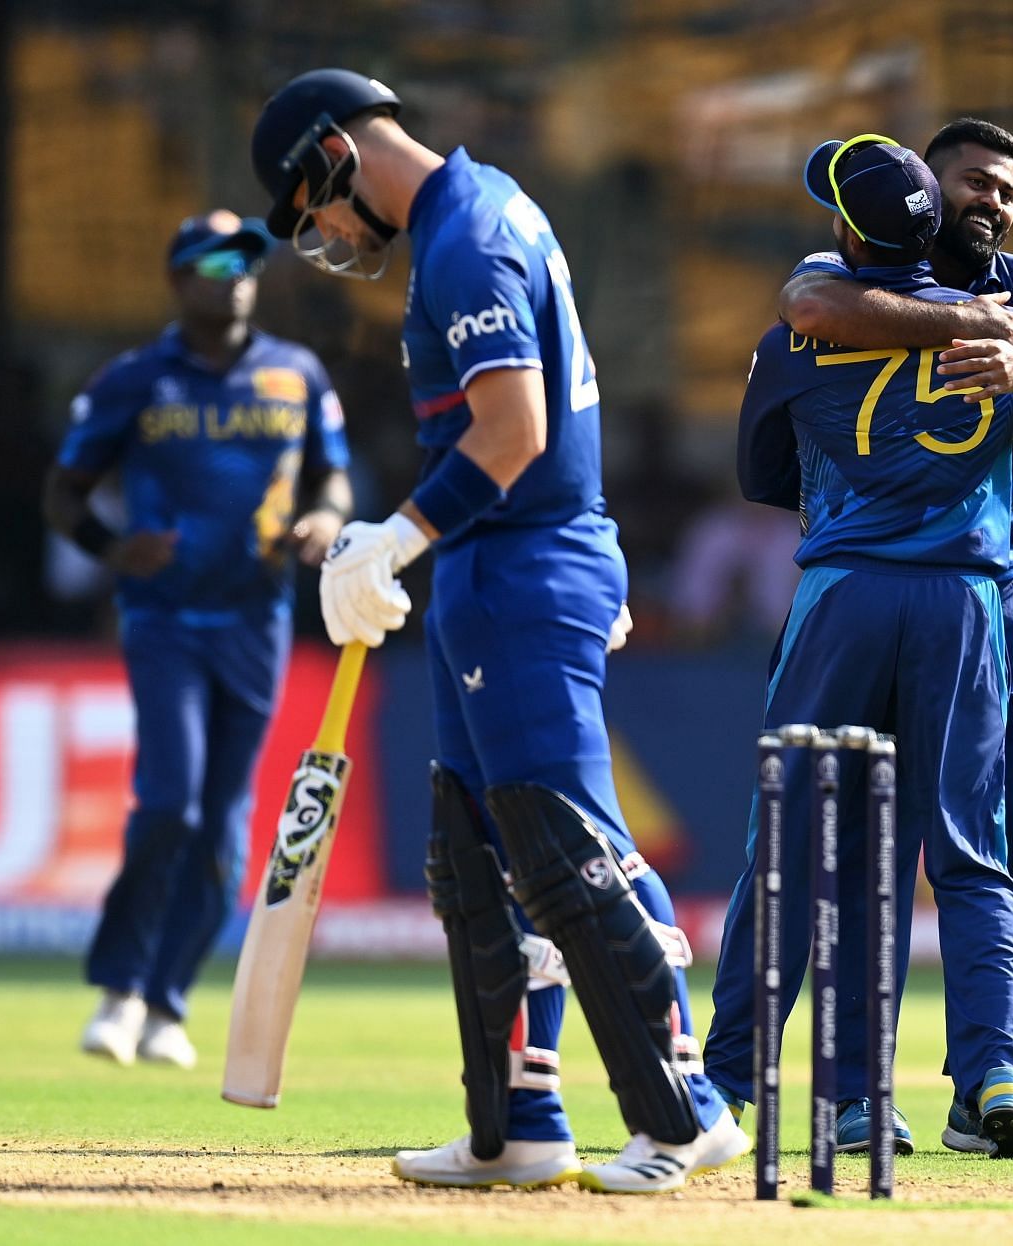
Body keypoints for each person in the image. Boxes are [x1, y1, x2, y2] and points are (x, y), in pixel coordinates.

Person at [247, 68, 745, 1194]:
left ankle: (688, 1106)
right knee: (480, 846)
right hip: (502, 561)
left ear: (334, 154)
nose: (324, 233)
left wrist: (396, 539)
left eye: (311, 206)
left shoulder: (468, 236)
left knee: (565, 835)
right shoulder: (486, 209)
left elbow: (515, 430)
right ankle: (516, 1121)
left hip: (524, 561)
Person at [748, 116, 1013, 1156]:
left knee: (1009, 838)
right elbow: (807, 302)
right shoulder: (854, 271)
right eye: (971, 183)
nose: (991, 202)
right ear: (924, 188)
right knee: (870, 840)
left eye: (1006, 186)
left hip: (1000, 582)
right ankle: (860, 1087)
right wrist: (960, 317)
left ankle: (988, 1075)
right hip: (886, 573)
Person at [45, 210, 353, 1070]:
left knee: (222, 826)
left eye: (248, 262)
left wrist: (327, 514)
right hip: (164, 617)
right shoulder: (136, 379)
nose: (237, 276)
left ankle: (168, 1004)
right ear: (180, 279)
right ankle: (119, 989)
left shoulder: (297, 375)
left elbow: (332, 470)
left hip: (257, 618)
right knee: (170, 804)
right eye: (216, 263)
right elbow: (63, 492)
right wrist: (112, 550)